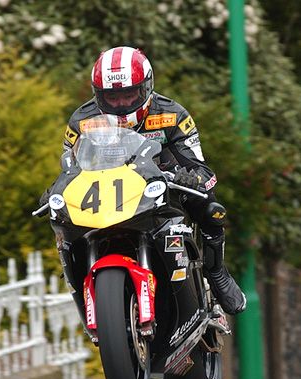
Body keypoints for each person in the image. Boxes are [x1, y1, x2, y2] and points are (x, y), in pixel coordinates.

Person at [61, 46, 246, 315]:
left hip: (163, 188)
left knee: (209, 206)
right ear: (98, 95)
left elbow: (200, 168)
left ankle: (216, 271)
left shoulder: (173, 115)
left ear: (146, 88)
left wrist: (190, 178)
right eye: (112, 97)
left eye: (129, 94)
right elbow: (69, 167)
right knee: (63, 222)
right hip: (105, 197)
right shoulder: (81, 121)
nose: (122, 104)